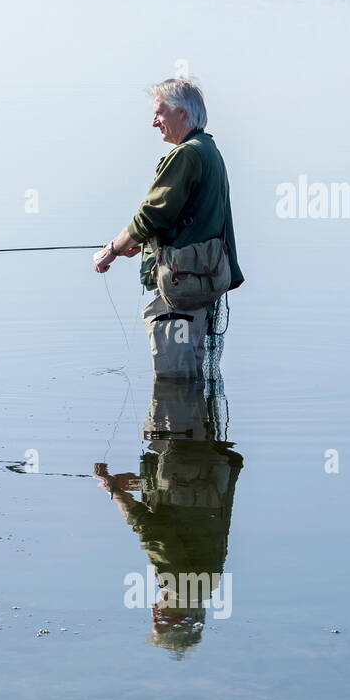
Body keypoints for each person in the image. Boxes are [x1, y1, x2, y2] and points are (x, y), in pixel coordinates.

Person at [93, 78, 244, 380]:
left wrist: (111, 249)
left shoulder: (187, 154)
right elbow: (187, 218)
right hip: (201, 282)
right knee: (189, 375)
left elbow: (152, 213)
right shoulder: (208, 149)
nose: (154, 122)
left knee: (173, 381)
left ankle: (178, 426)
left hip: (183, 290)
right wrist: (140, 244)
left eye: (160, 112)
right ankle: (192, 425)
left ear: (182, 113)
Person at [94, 378, 244, 657]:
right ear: (173, 617)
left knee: (191, 392)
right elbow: (152, 530)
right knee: (170, 392)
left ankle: (183, 364)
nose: (153, 610)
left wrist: (141, 484)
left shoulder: (206, 585)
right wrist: (114, 491)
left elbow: (182, 518)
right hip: (183, 465)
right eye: (158, 621)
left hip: (208, 469)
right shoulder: (178, 584)